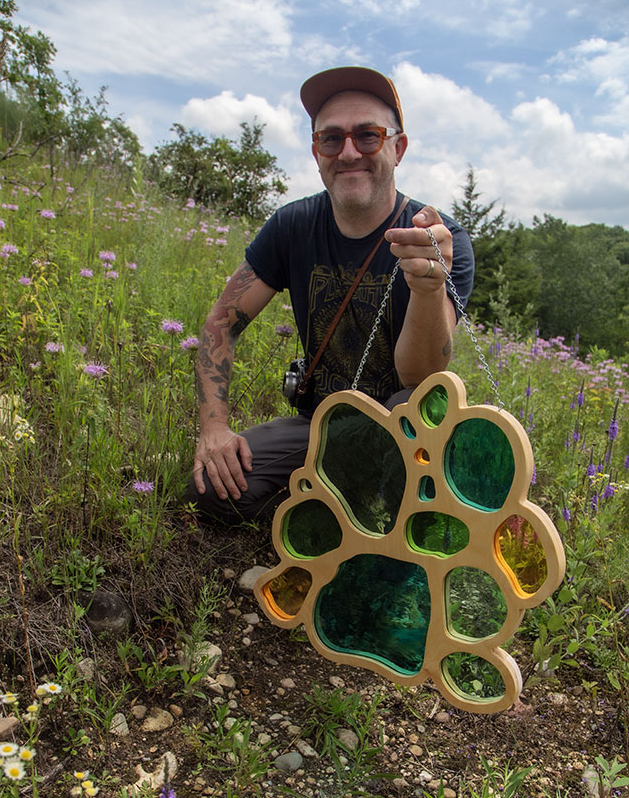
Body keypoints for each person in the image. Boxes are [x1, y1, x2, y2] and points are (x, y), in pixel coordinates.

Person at [184, 66, 474, 524]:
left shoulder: (437, 241)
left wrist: (427, 286)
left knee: (406, 412)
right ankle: (330, 505)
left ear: (397, 149)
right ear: (316, 152)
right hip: (322, 426)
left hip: (405, 434)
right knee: (215, 491)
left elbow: (419, 374)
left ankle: (370, 512)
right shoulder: (292, 227)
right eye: (332, 139)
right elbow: (221, 323)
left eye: (368, 136)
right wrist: (215, 428)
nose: (349, 152)